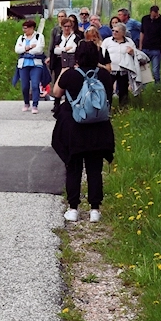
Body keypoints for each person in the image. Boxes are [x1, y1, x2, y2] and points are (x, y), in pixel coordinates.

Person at [52, 41, 115, 223]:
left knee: (74, 168)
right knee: (95, 169)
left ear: (77, 56)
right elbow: (109, 96)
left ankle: (73, 208)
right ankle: (95, 210)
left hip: (74, 129)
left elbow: (56, 93)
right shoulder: (104, 75)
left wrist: (64, 69)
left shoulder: (70, 74)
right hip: (99, 128)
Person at [15, 19, 46, 114]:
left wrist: (27, 52)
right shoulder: (21, 38)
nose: (24, 30)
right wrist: (27, 48)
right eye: (23, 28)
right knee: (25, 86)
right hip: (23, 64)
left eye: (26, 28)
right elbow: (17, 49)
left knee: (35, 85)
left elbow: (39, 49)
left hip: (36, 64)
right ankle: (26, 103)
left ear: (32, 28)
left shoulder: (39, 36)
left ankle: (35, 104)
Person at [102, 22, 137, 106]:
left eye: (116, 31)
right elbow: (102, 54)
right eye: (113, 30)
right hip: (110, 70)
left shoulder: (129, 42)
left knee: (123, 91)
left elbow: (136, 54)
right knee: (108, 90)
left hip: (123, 70)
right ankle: (107, 107)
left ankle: (123, 108)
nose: (114, 32)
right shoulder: (107, 41)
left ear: (123, 33)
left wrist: (132, 52)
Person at [138, 5, 161, 84]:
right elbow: (142, 33)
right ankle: (143, 86)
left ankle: (157, 85)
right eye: (153, 15)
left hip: (156, 48)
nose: (155, 17)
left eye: (156, 15)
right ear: (150, 12)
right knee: (144, 69)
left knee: (155, 70)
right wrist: (140, 46)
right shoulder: (145, 19)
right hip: (145, 47)